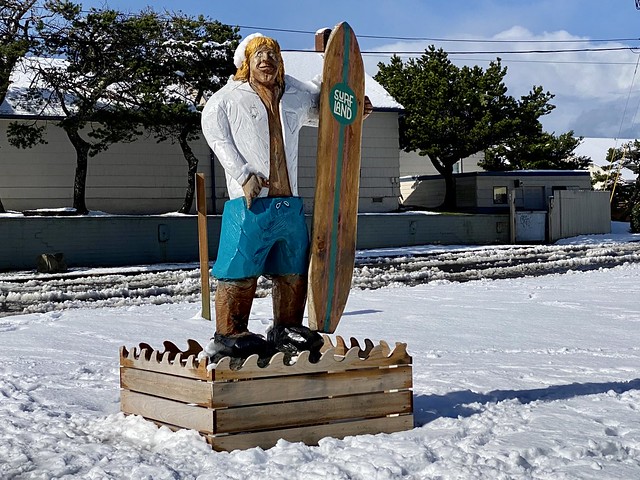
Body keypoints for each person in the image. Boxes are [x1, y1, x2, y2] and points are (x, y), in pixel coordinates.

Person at [200, 33, 324, 362]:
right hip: (250, 204)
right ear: (246, 62)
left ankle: (286, 327)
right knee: (239, 268)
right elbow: (215, 131)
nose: (266, 59)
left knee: (293, 269)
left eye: (272, 54)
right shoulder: (228, 98)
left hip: (289, 203)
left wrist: (354, 107)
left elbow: (324, 108)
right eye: (260, 54)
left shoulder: (294, 95)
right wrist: (242, 174)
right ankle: (229, 332)